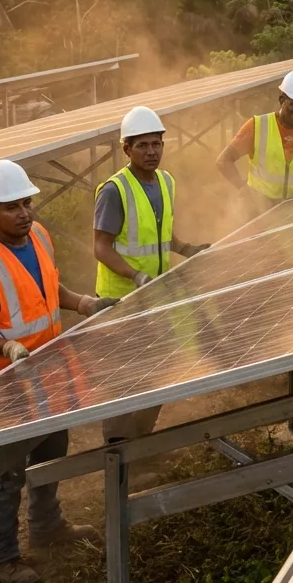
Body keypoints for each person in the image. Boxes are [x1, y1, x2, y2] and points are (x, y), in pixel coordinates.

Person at [0, 158, 113, 583]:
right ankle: (2, 557)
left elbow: (48, 287)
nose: (24, 213)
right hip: (6, 386)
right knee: (6, 471)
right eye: (11, 207)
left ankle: (46, 525)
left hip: (49, 371)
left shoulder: (38, 236)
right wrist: (5, 346)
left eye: (27, 203)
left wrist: (81, 302)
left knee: (52, 448)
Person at [93, 106, 209, 443]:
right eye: (142, 145)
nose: (151, 151)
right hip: (122, 300)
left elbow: (161, 233)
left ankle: (141, 440)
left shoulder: (166, 182)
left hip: (157, 296)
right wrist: (135, 276)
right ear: (126, 149)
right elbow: (101, 247)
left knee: (159, 367)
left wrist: (186, 250)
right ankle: (116, 449)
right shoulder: (114, 190)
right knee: (122, 374)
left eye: (156, 143)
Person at [216, 68, 293, 211]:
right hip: (256, 211)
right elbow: (224, 160)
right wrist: (241, 187)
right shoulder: (257, 126)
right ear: (281, 100)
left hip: (291, 212)